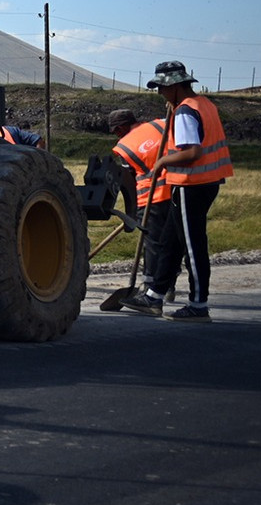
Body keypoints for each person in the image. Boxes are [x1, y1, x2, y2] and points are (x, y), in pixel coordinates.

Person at [125, 61, 234, 321]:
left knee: (193, 245)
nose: (160, 93)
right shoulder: (204, 104)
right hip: (204, 182)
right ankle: (154, 296)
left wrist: (162, 162)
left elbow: (192, 151)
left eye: (162, 88)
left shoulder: (185, 112)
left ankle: (198, 305)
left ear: (174, 86)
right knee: (170, 242)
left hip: (191, 184)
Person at [100, 107, 171, 313]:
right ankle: (170, 286)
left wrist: (133, 213)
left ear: (121, 128)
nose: (116, 135)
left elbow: (130, 181)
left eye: (115, 131)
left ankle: (150, 288)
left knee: (152, 243)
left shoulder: (125, 146)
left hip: (154, 196)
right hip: (181, 187)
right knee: (174, 242)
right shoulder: (161, 124)